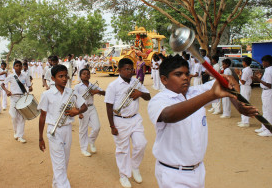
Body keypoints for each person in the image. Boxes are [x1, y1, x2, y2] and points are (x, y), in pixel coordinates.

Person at [147, 55, 258, 188]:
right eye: (178, 74)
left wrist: (238, 104)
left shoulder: (195, 92)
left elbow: (229, 81)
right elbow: (168, 115)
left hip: (198, 171)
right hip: (173, 173)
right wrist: (211, 95)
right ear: (164, 79)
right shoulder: (159, 100)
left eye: (187, 74)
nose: (185, 77)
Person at [38, 64, 87, 188]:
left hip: (67, 129)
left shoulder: (72, 92)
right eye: (60, 76)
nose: (64, 79)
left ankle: (56, 184)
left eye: (65, 76)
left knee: (63, 162)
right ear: (53, 79)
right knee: (59, 164)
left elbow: (84, 106)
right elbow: (42, 117)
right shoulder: (47, 95)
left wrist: (77, 111)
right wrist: (40, 137)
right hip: (53, 131)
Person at [104, 58, 151, 188]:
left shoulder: (136, 82)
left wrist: (140, 93)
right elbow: (108, 106)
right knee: (122, 150)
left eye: (131, 69)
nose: (130, 71)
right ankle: (123, 175)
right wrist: (112, 126)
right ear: (119, 70)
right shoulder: (113, 86)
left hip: (135, 119)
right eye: (126, 69)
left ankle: (134, 167)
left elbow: (148, 97)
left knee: (141, 144)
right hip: (120, 120)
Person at [74, 68, 105, 157]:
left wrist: (97, 91)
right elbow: (75, 99)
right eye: (84, 74)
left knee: (97, 127)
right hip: (82, 109)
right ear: (80, 76)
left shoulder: (92, 86)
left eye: (88, 73)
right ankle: (83, 149)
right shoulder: (77, 87)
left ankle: (91, 140)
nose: (86, 75)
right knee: (83, 129)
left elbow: (105, 93)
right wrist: (78, 112)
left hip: (91, 107)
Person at [1, 60, 32, 143]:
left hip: (22, 98)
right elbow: (2, 84)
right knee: (14, 116)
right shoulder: (11, 76)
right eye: (16, 66)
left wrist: (30, 88)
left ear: (22, 67)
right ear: (14, 67)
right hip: (14, 98)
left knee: (22, 117)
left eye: (19, 66)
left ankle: (20, 136)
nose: (18, 67)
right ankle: (15, 131)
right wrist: (7, 91)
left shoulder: (25, 76)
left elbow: (29, 86)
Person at [252, 55, 272, 137]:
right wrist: (260, 78)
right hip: (265, 92)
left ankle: (269, 130)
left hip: (269, 92)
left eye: (263, 62)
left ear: (268, 62)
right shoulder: (267, 70)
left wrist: (258, 80)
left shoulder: (269, 71)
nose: (262, 63)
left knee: (268, 111)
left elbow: (269, 85)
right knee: (265, 110)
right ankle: (264, 127)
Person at [236, 57, 253, 127]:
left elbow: (243, 81)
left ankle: (246, 122)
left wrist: (238, 74)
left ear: (245, 62)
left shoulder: (246, 71)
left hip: (245, 87)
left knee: (245, 104)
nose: (242, 63)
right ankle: (243, 120)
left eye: (243, 62)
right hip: (244, 87)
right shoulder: (247, 69)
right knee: (242, 103)